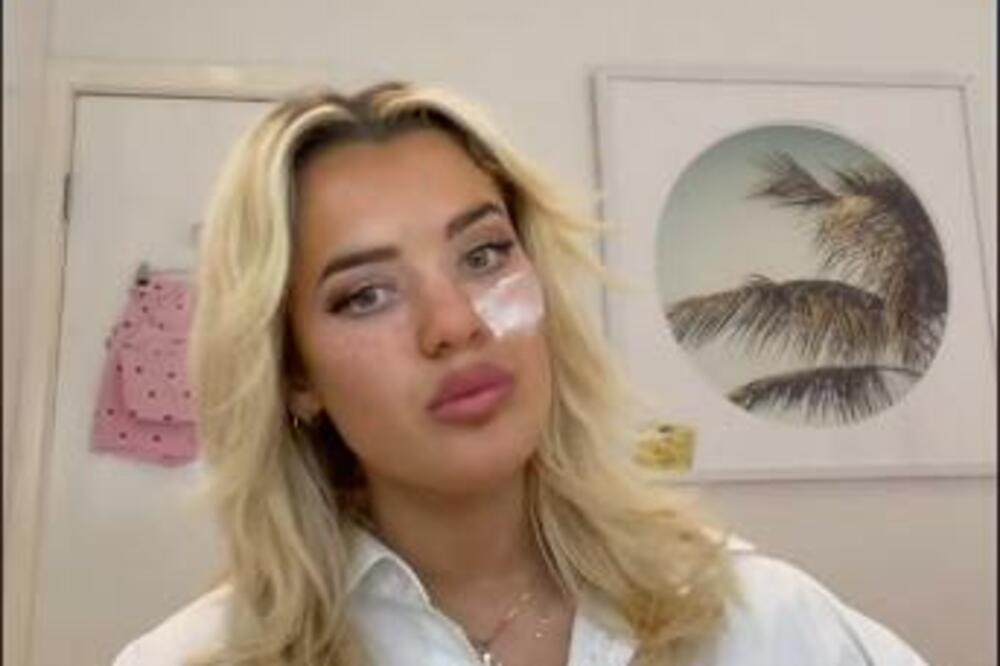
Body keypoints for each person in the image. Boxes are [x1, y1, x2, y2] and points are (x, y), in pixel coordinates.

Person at [112, 82, 930, 666]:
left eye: (483, 255)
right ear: (296, 376)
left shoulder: (761, 621)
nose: (455, 324)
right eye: (366, 295)